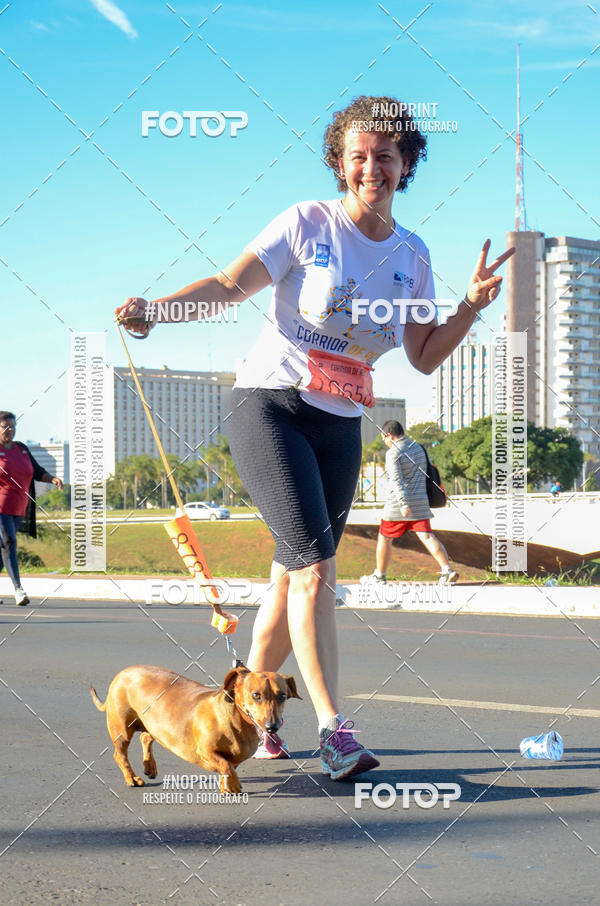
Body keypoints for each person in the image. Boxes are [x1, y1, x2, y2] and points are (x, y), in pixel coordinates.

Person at [115, 95, 513, 779]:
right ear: (340, 162)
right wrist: (157, 310)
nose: (370, 168)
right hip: (270, 405)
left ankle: (245, 715)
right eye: (356, 156)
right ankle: (335, 731)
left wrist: (469, 309)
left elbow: (422, 351)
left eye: (385, 156)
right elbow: (228, 285)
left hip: (338, 425)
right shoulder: (308, 223)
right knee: (315, 571)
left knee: (286, 581)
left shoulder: (412, 255)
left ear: (407, 163)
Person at [361, 420, 459, 585]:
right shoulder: (418, 447)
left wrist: (403, 503)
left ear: (389, 435)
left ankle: (380, 576)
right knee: (427, 536)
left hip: (398, 506)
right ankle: (447, 570)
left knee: (384, 538)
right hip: (420, 501)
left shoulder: (393, 453)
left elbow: (396, 480)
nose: (384, 442)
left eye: (384, 438)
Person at [0, 412, 63, 606]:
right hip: (0, 506)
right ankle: (18, 589)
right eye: (5, 426)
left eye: (13, 426)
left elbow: (36, 471)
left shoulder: (22, 449)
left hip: (19, 507)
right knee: (9, 542)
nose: (10, 430)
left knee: (4, 548)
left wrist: (52, 478)